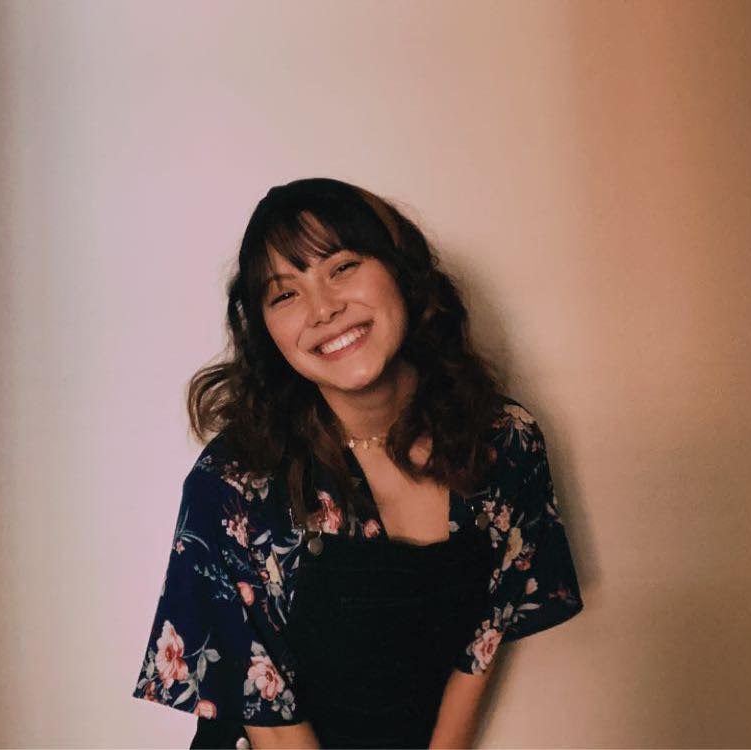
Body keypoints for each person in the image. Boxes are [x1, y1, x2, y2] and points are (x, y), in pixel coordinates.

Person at [132, 178, 583, 749]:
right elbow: (272, 725)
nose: (323, 309)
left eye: (342, 267)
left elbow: (481, 647)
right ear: (267, 332)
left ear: (400, 270)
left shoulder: (505, 444)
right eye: (285, 295)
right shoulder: (233, 484)